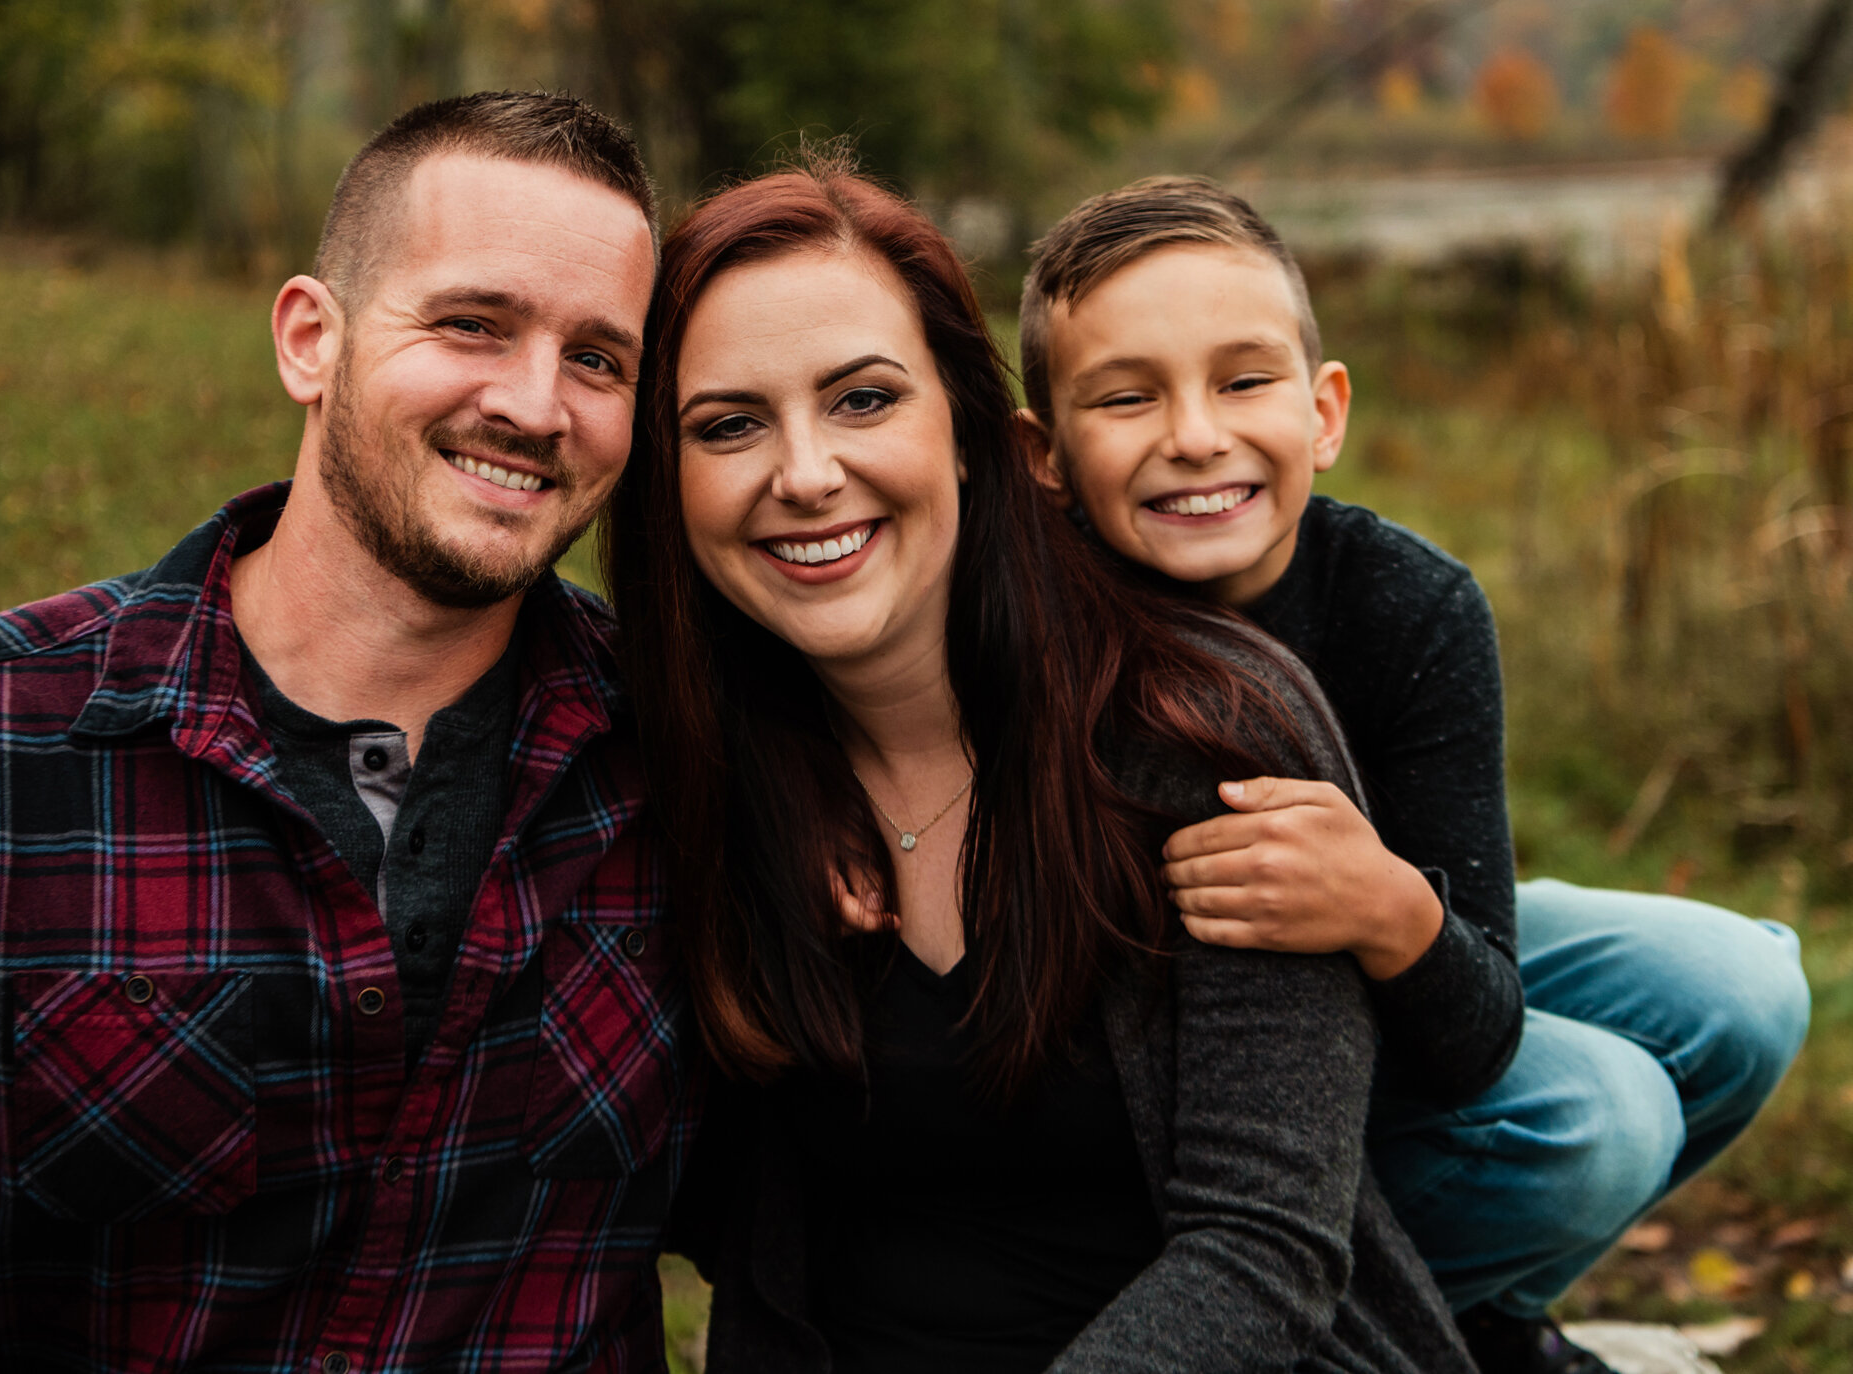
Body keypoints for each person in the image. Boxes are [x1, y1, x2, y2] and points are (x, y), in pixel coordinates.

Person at [0, 92, 697, 1372]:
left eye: (599, 359)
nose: (537, 404)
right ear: (308, 339)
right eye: (472, 325)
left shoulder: (684, 764)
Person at [610, 159, 1478, 1373]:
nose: (802, 473)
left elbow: (1261, 1252)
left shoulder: (1202, 734)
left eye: (862, 400)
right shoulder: (683, 768)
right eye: (729, 425)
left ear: (974, 435)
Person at [1016, 174, 1812, 1374]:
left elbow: (1473, 1026)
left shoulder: (1408, 603)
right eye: (1126, 397)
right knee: (1600, 1119)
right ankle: (1304, 1291)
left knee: (1741, 985)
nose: (1192, 435)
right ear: (1044, 457)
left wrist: (1387, 909)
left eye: (1243, 381)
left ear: (1323, 411)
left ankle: (1479, 1314)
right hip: (1187, 1070)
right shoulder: (1023, 617)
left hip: (1387, 977)